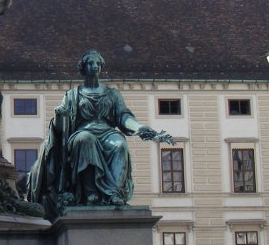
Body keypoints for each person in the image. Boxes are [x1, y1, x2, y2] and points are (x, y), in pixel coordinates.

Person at [27, 49, 173, 214]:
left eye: (97, 63)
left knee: (120, 145)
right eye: (90, 63)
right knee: (86, 140)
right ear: (83, 67)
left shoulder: (112, 94)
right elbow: (61, 127)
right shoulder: (72, 95)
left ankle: (114, 194)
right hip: (82, 133)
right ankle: (91, 193)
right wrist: (59, 116)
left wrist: (138, 127)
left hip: (107, 132)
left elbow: (123, 116)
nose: (95, 66)